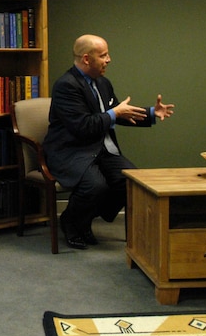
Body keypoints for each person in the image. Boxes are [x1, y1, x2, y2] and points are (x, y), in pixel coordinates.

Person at [42, 34, 175, 250]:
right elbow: (82, 126)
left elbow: (119, 114)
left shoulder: (103, 83)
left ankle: (81, 218)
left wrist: (151, 113)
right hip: (72, 150)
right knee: (95, 186)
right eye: (103, 55)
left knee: (131, 182)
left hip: (101, 150)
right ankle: (72, 223)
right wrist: (114, 113)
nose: (109, 59)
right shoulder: (66, 86)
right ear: (86, 59)